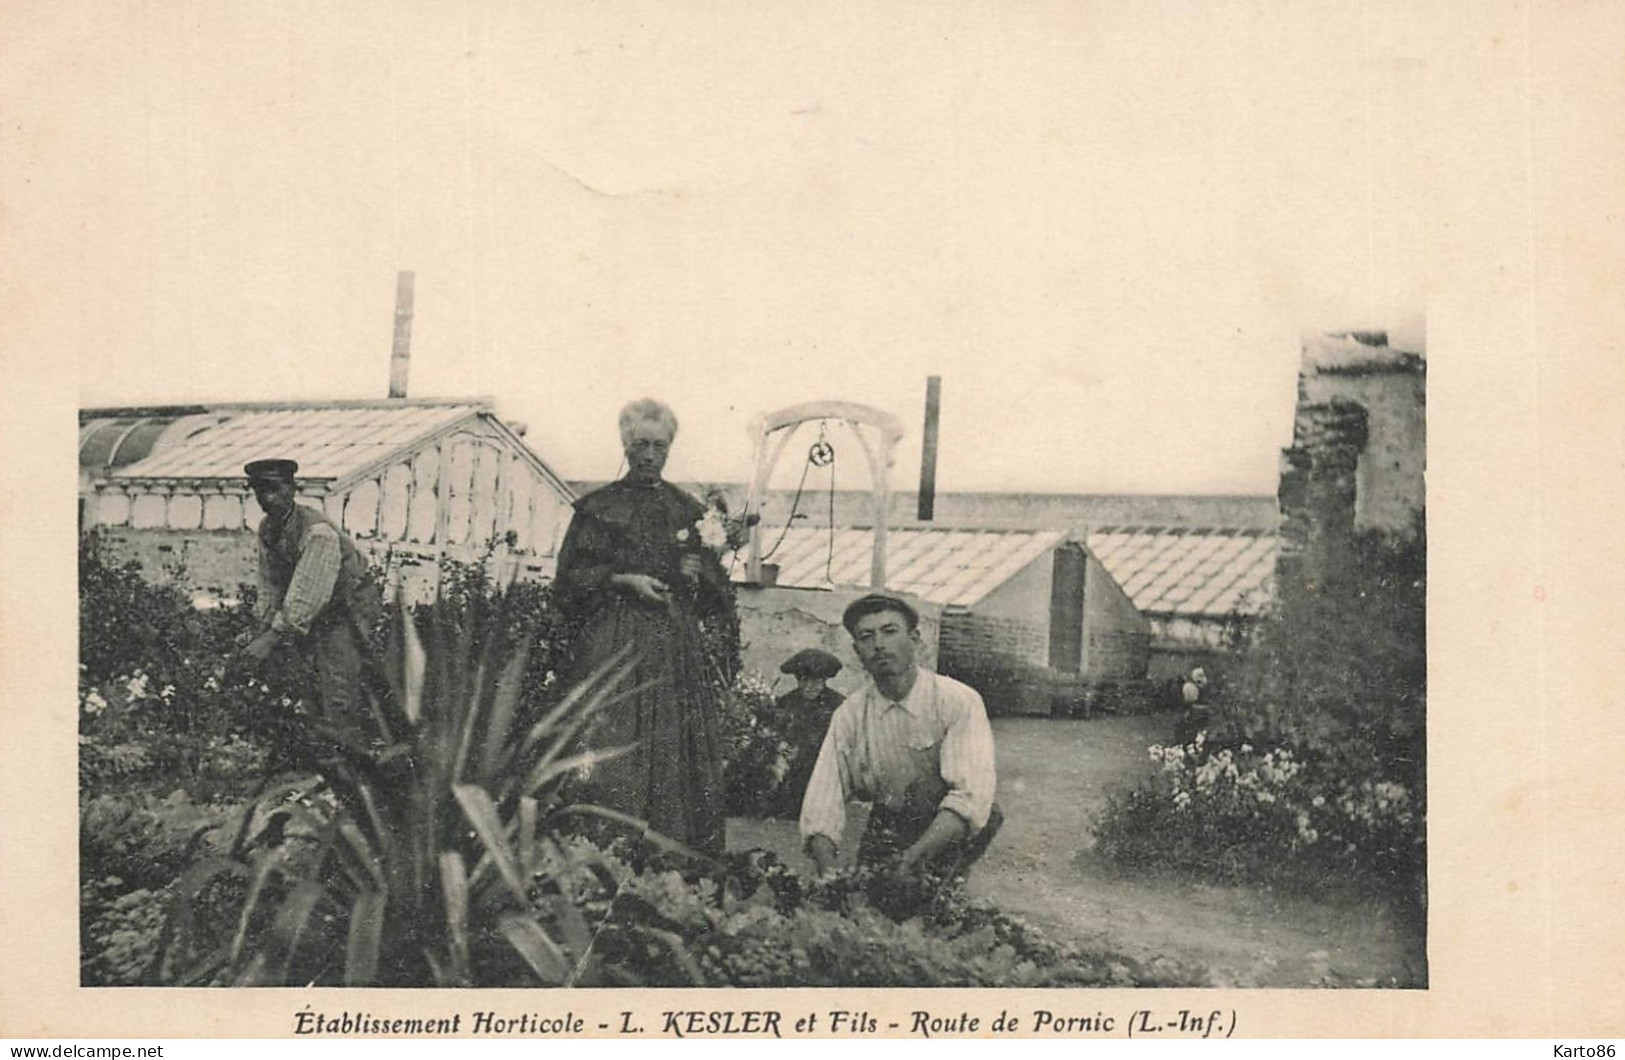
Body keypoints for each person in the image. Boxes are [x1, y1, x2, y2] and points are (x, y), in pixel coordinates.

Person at [555, 399, 731, 859]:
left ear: (670, 448)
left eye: (659, 445)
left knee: (674, 747)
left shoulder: (687, 510)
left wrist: (699, 574)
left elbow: (715, 599)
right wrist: (622, 580)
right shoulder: (600, 508)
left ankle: (670, 861)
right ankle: (602, 856)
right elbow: (569, 581)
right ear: (625, 445)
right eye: (640, 445)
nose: (649, 455)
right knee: (614, 746)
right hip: (614, 646)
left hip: (673, 648)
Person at [799, 593, 1002, 879]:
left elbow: (970, 797)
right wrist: (827, 868)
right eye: (867, 637)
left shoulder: (957, 700)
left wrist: (913, 858)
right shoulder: (850, 714)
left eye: (890, 631)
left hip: (948, 826)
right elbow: (823, 799)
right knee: (866, 906)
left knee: (932, 907)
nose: (879, 645)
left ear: (915, 639)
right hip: (888, 823)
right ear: (857, 651)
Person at [237, 459, 382, 726]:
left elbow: (308, 595)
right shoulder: (268, 528)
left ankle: (345, 747)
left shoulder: (318, 532)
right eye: (259, 490)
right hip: (314, 606)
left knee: (338, 680)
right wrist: (262, 626)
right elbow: (271, 584)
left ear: (293, 488)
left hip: (347, 607)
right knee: (301, 675)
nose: (267, 498)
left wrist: (271, 638)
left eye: (274, 488)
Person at [770, 648, 845, 816]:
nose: (809, 687)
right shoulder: (786, 702)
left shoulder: (838, 705)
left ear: (825, 679)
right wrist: (782, 748)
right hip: (789, 769)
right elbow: (775, 734)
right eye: (803, 680)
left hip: (824, 769)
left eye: (816, 681)